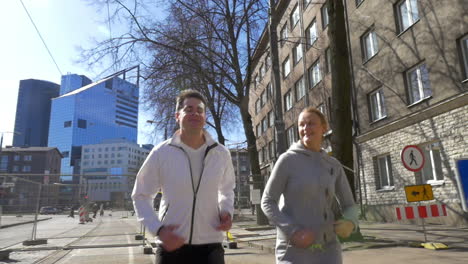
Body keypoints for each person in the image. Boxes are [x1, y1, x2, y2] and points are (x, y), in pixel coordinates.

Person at [132, 89, 235, 264]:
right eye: (188, 109)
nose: (195, 113)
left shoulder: (221, 153)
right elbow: (140, 195)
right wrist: (158, 229)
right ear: (177, 116)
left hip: (211, 246)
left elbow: (227, 190)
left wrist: (226, 212)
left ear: (205, 117)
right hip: (172, 246)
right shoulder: (161, 153)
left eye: (200, 110)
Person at [261, 107, 358, 264]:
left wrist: (351, 223)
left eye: (311, 123)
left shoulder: (333, 165)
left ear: (324, 128)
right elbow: (267, 201)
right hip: (294, 251)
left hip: (329, 250)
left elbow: (350, 205)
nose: (305, 128)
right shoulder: (287, 160)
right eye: (301, 125)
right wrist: (293, 231)